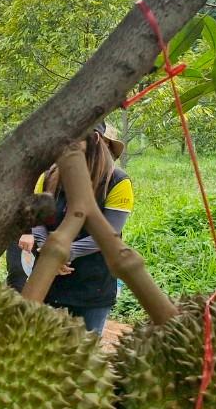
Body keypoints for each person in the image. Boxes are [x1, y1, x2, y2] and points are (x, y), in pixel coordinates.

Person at [19, 123, 132, 333]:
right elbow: (38, 221)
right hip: (50, 277)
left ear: (96, 140)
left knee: (84, 352)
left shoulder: (117, 181)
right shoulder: (48, 176)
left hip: (92, 281)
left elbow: (110, 233)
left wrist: (66, 253)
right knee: (41, 344)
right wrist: (48, 249)